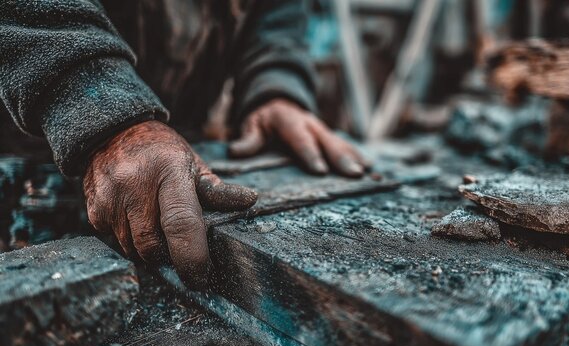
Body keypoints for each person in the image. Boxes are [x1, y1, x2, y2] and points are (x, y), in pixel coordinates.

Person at [0, 0, 367, 286]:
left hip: (174, 150)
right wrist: (106, 116)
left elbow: (276, 15)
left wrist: (274, 87)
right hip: (33, 158)